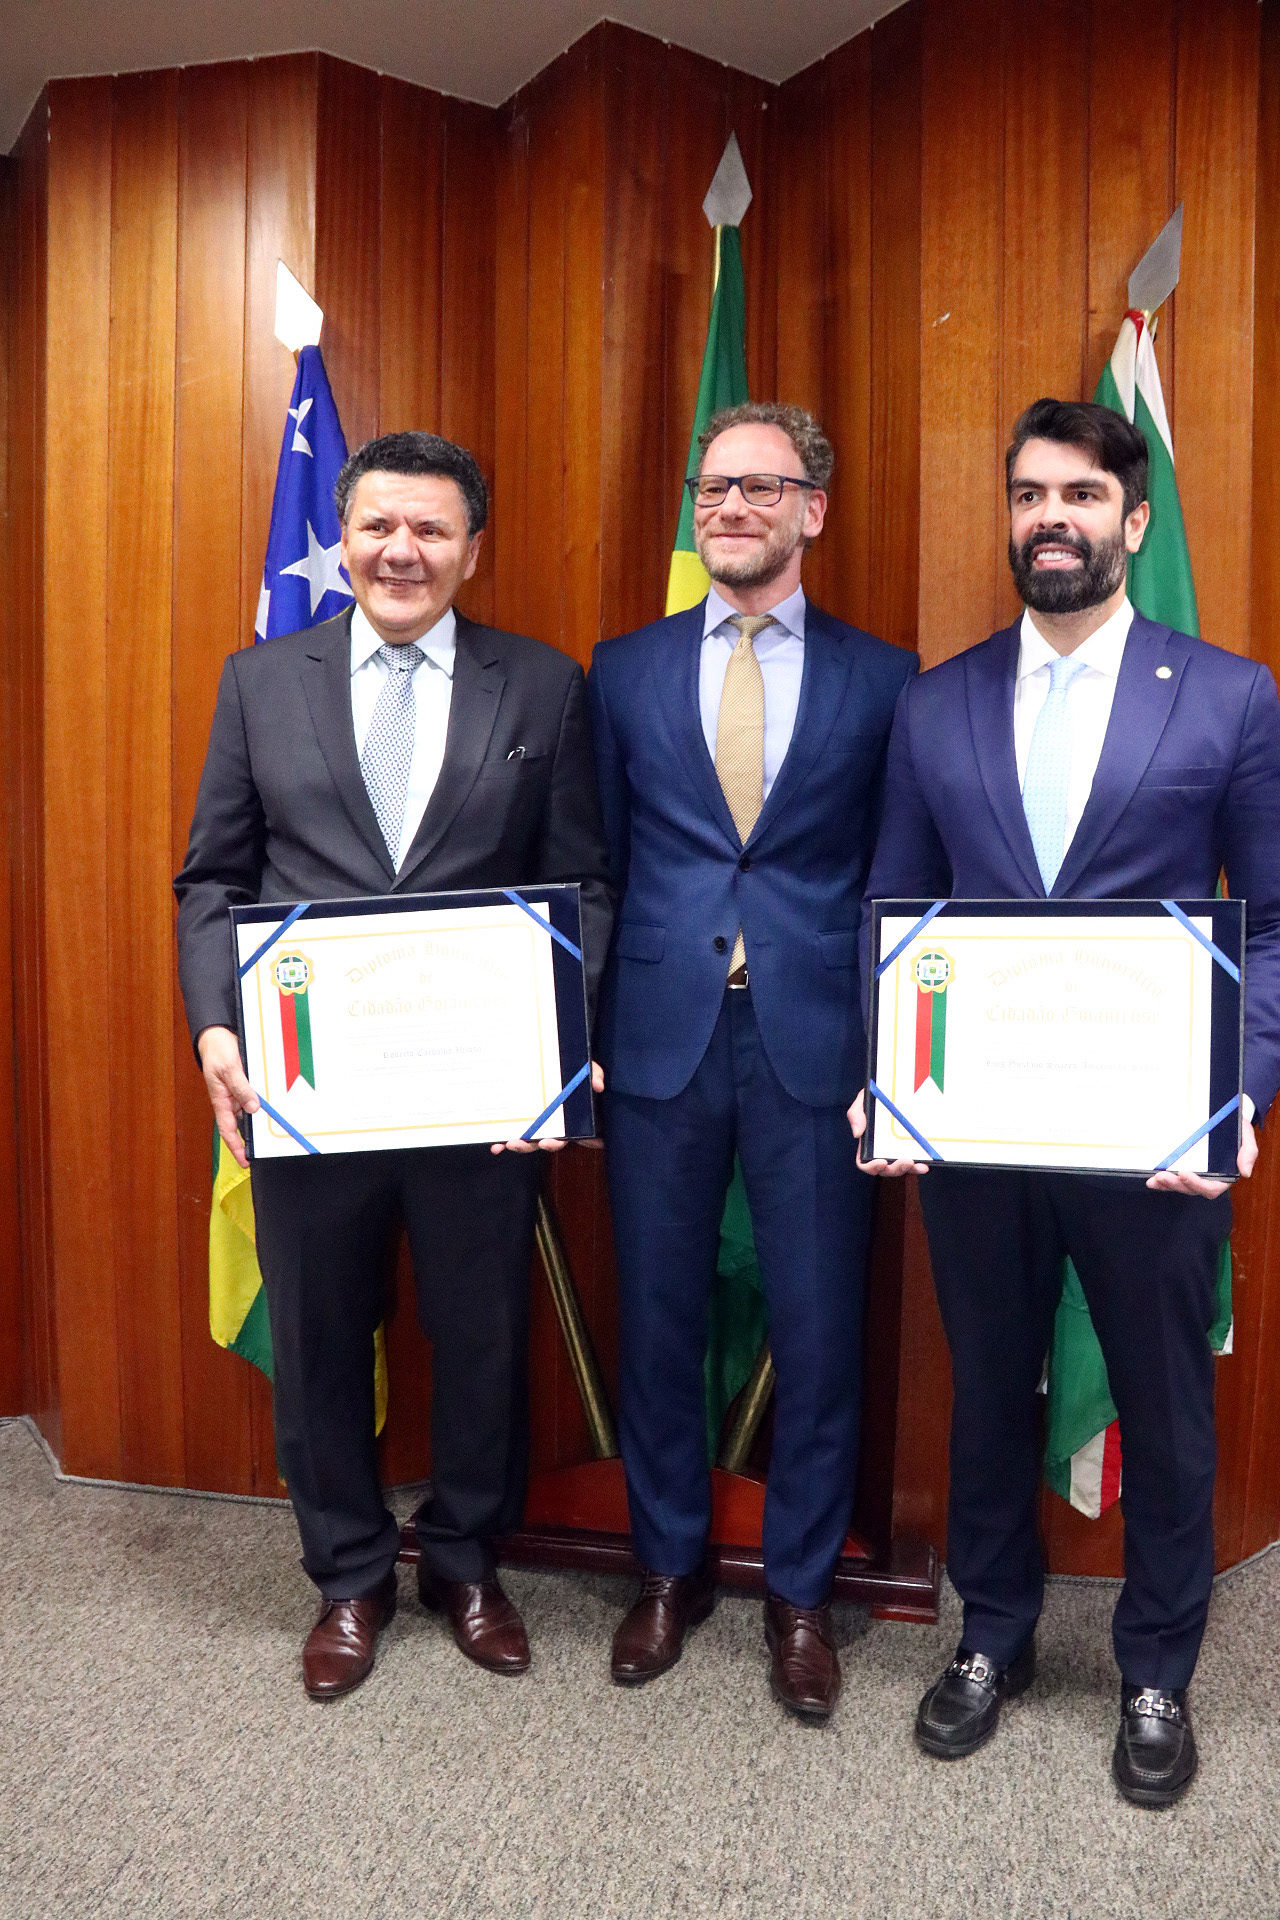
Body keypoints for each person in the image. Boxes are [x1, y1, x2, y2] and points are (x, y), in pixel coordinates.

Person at [852, 397, 1280, 1805]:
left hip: (1155, 1135)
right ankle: (995, 1635)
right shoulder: (937, 700)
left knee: (1163, 1399)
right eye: (1031, 494)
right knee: (988, 1389)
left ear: (1132, 523)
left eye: (1082, 496)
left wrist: (1235, 1090)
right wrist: (885, 1082)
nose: (1052, 517)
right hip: (975, 1129)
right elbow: (895, 908)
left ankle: (1156, 1668)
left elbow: (1272, 925)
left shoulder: (1227, 695)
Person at [175, 431, 612, 1701]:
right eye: (377, 526)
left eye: (430, 529)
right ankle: (349, 1577)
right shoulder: (261, 682)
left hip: (484, 1097)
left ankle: (466, 1563)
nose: (400, 551)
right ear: (347, 536)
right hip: (308, 1089)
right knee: (319, 1337)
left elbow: (583, 883)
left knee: (480, 1338)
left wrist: (555, 1053)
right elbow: (213, 878)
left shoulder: (543, 686)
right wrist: (215, 1028)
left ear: (472, 548)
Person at [588, 402, 917, 1720]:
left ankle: (799, 1595)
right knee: (657, 1318)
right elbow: (600, 865)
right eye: (713, 486)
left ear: (811, 510)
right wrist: (575, 1037)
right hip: (656, 1041)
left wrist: (894, 1057)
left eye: (761, 487)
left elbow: (897, 879)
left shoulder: (886, 678)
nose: (730, 507)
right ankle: (667, 1569)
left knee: (820, 1330)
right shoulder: (620, 669)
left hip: (816, 1046)